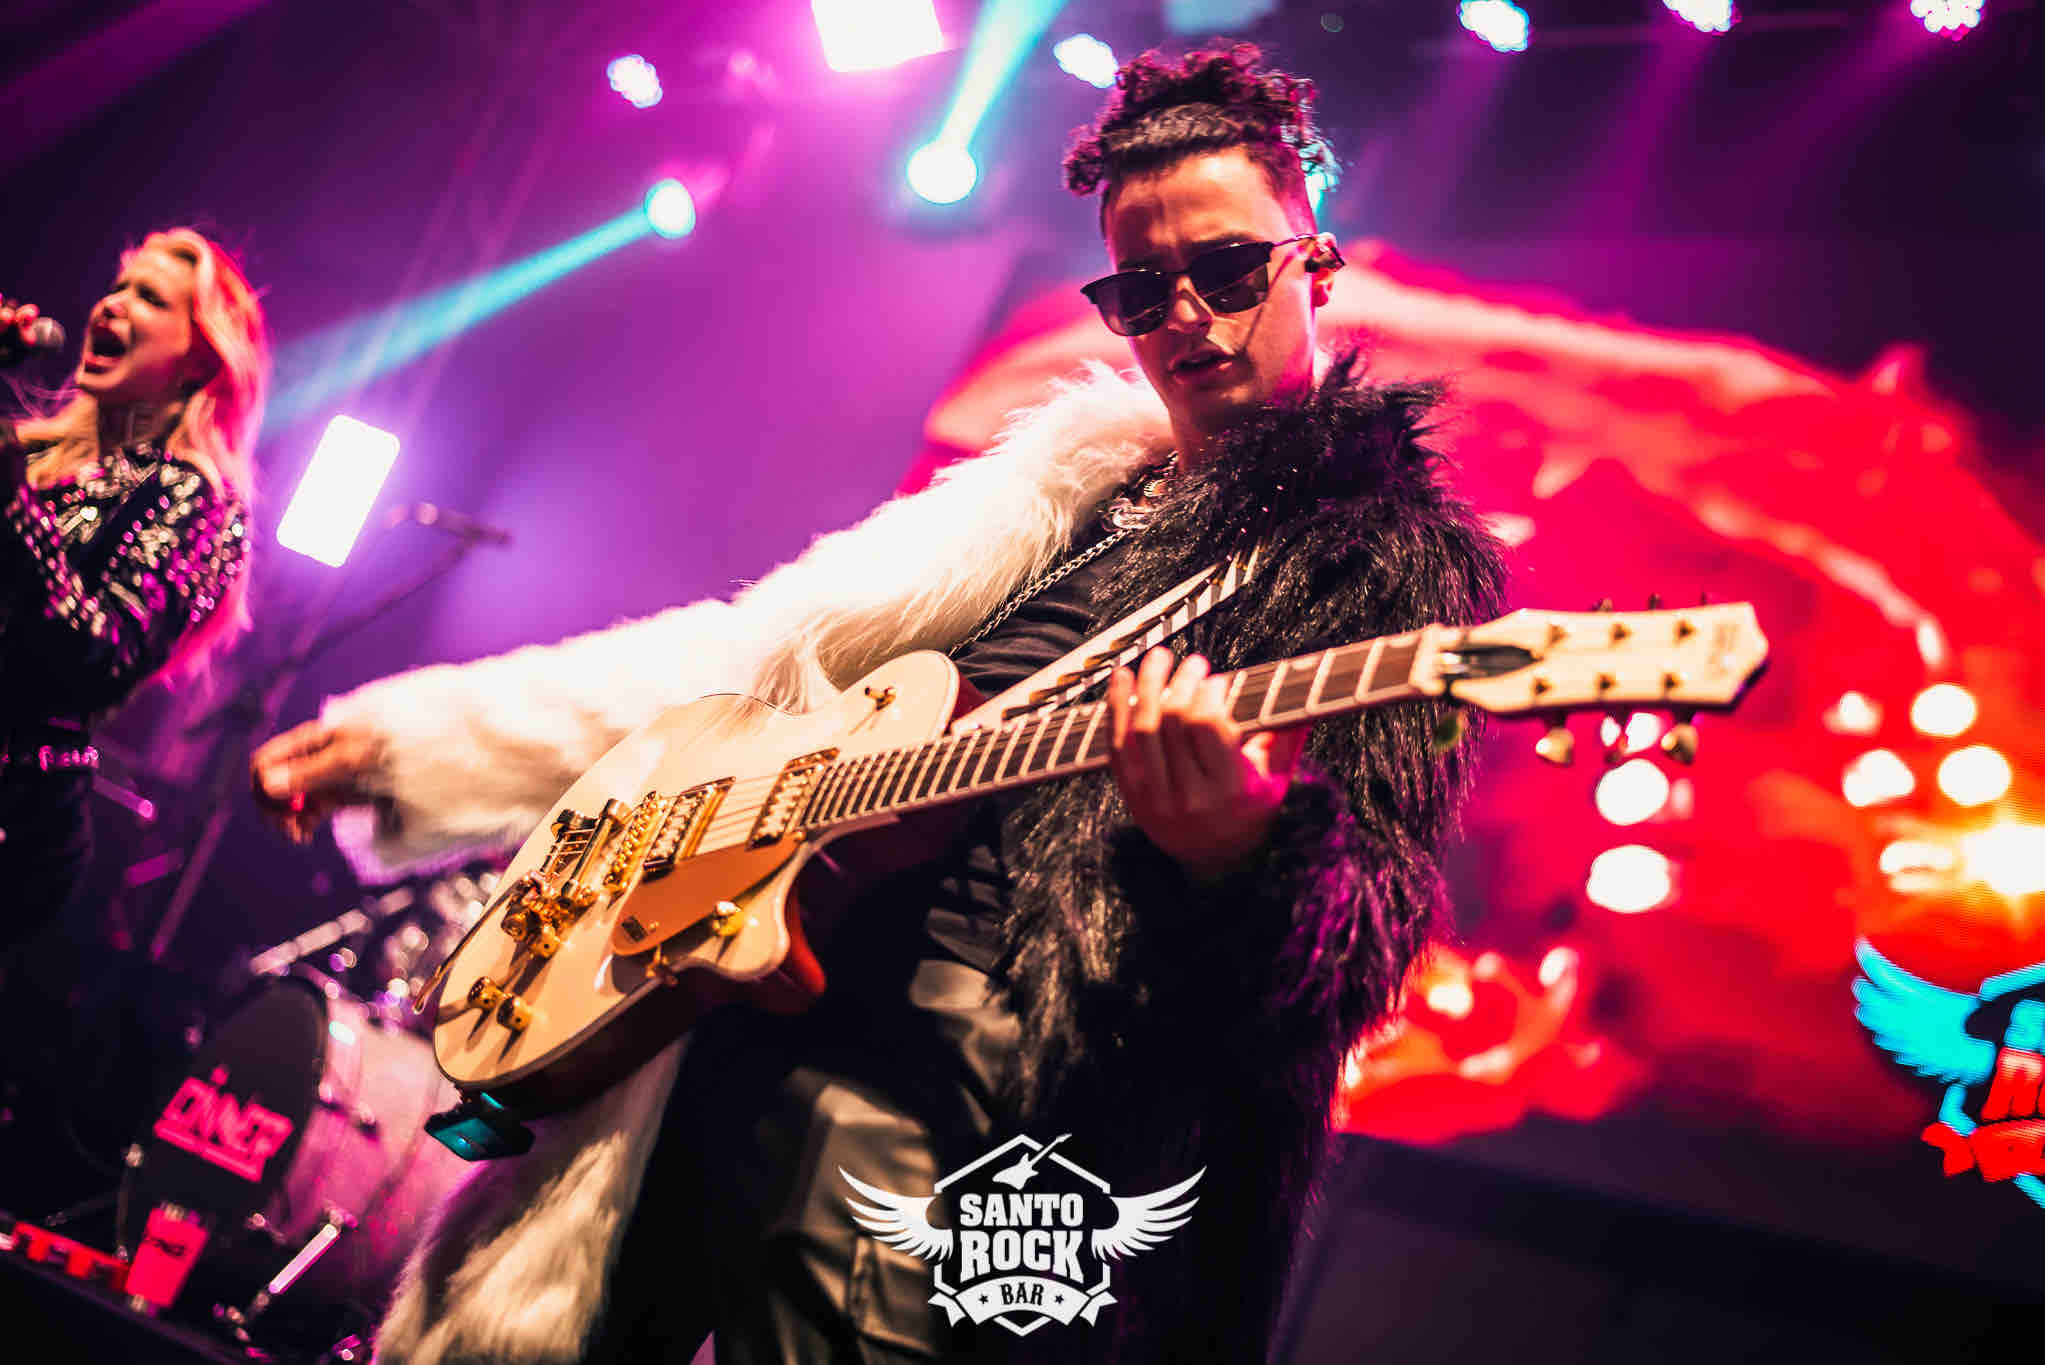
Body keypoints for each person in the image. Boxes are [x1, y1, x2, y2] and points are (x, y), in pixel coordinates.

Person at [252, 45, 1505, 1364]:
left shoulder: (1377, 561)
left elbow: (1365, 928)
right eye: (1142, 288)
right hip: (725, 1028)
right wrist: (405, 743)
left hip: (966, 1131)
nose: (1185, 315)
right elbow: (736, 684)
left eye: (1231, 269)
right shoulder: (1042, 491)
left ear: (1316, 264)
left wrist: (1245, 852)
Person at [1, 228, 266, 949]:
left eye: (148, 298)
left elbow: (103, 657)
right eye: (118, 287)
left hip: (16, 812)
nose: (112, 304)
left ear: (199, 359)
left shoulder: (196, 498)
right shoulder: (39, 457)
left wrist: (11, 506)